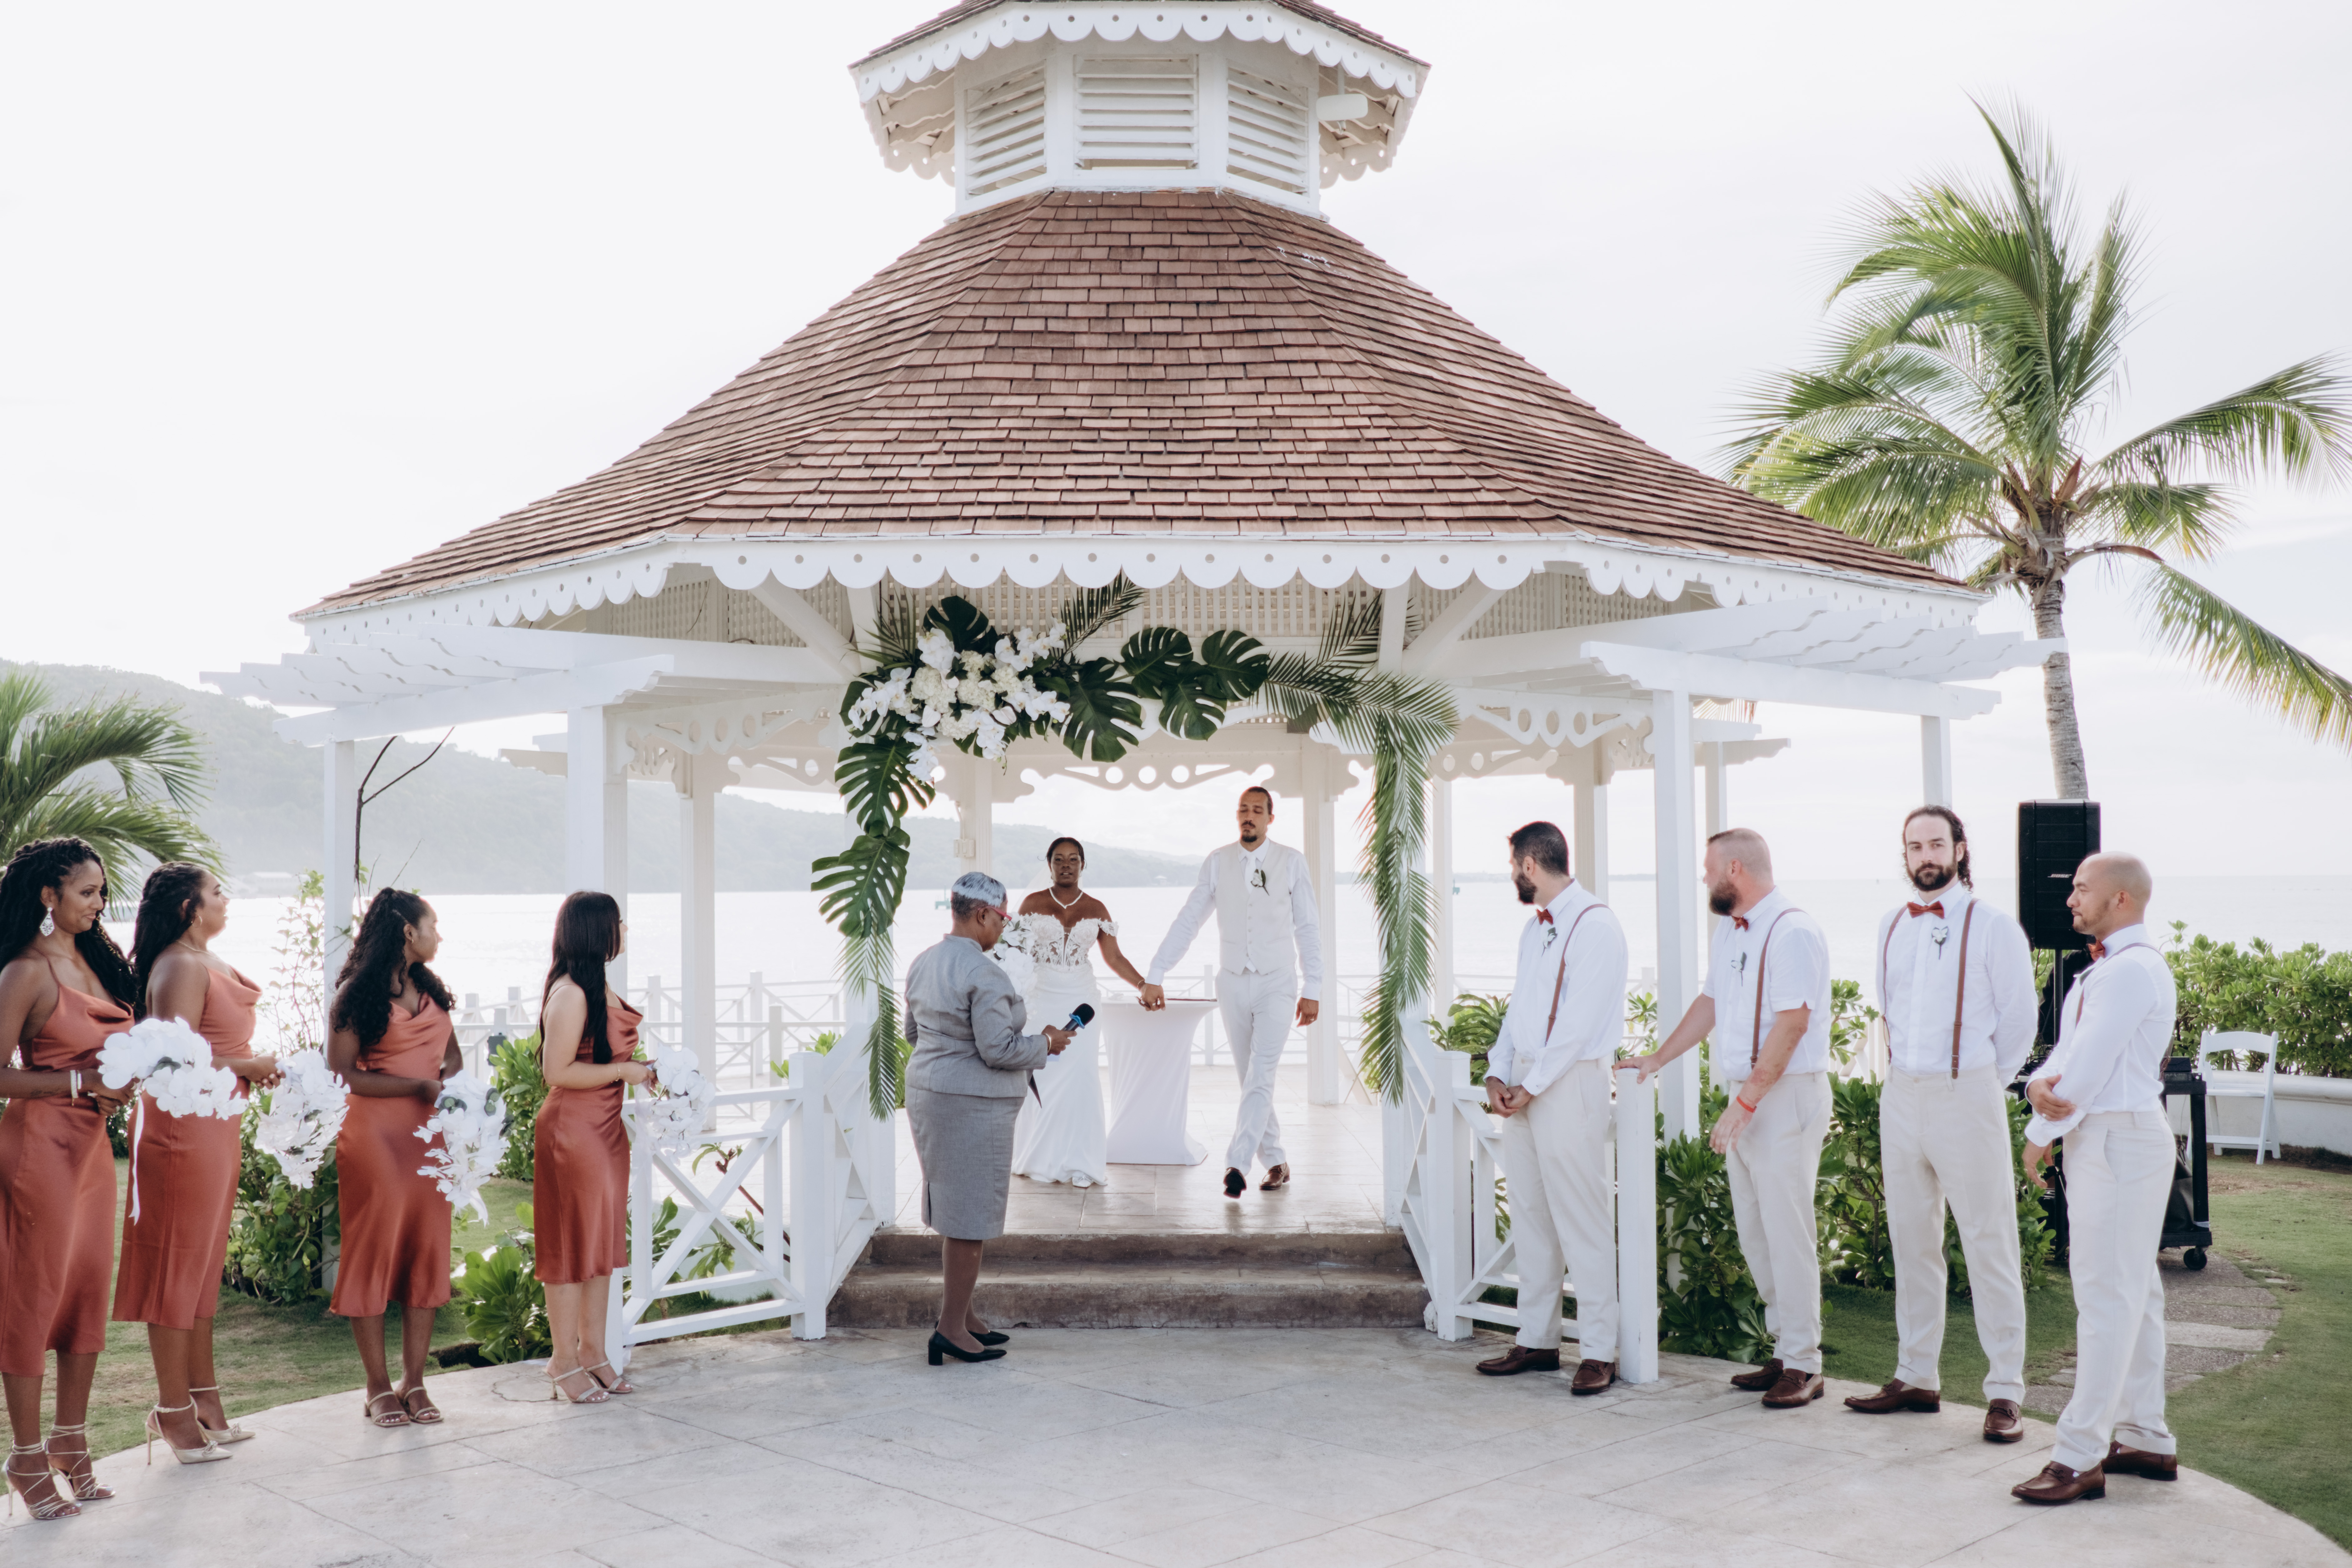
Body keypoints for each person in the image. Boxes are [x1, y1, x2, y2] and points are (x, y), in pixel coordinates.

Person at [1844, 809, 2036, 1441]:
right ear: (1904, 854)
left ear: (1958, 849)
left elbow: (2019, 1021)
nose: (1924, 855)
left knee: (1988, 1240)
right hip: (1901, 1094)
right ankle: (1915, 1374)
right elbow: (1890, 1008)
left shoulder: (1993, 925)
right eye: (1914, 845)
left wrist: (1977, 1082)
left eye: (1935, 843)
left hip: (1967, 1092)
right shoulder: (1890, 925)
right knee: (1911, 1238)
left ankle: (2005, 1389)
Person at [1627, 827, 1832, 1410]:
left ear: (1734, 869)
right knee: (1756, 1232)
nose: (1704, 877)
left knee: (1787, 1231)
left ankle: (1805, 1362)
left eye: (1708, 867)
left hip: (1785, 1094)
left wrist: (1745, 1103)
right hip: (1750, 1093)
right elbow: (1711, 1003)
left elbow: (1792, 1025)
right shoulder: (1730, 929)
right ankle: (1785, 1349)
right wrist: (1657, 1058)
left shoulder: (1792, 930)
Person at [2010, 852, 2179, 1505]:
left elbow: (2087, 1068)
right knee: (2134, 1291)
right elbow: (2066, 1055)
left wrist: (2037, 1134)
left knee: (2106, 1295)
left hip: (2116, 1138)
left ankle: (2078, 1454)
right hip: (2112, 1136)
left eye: (2082, 888)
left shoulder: (2129, 969)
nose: (2070, 899)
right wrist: (2036, 1083)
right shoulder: (2107, 969)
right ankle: (2143, 1434)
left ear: (2120, 899)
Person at [115, 864, 282, 1462]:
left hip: (214, 1128)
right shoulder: (181, 965)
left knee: (205, 1264)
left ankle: (204, 1398)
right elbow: (173, 1057)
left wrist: (251, 1068)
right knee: (176, 1267)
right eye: (216, 891)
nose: (226, 898)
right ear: (189, 906)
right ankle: (172, 1409)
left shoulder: (205, 960)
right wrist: (248, 1065)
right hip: (180, 1132)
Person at [0, 838, 137, 1521]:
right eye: (87, 891)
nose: (99, 902)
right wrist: (81, 1082)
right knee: (34, 1297)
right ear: (48, 895)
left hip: (90, 1151)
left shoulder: (98, 960)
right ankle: (25, 1456)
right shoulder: (24, 970)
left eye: (102, 891)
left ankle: (71, 1440)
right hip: (39, 1149)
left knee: (85, 1292)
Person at [1474, 823, 1630, 1394]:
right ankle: (1537, 1339)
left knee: (1581, 1216)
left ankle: (1598, 1350)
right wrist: (1497, 1071)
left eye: (1513, 866)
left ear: (1530, 864)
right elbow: (1520, 1010)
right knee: (1532, 1214)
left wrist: (1533, 1084)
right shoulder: (1533, 928)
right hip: (1527, 1082)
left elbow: (1578, 1025)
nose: (1512, 876)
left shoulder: (1596, 925)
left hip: (1569, 1083)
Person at [904, 873, 1074, 1366]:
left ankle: (966, 1315)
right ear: (982, 914)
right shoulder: (985, 972)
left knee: (955, 1208)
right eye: (1002, 917)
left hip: (929, 1093)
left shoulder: (924, 961)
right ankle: (950, 1329)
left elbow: (914, 1033)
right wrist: (1047, 1043)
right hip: (971, 1106)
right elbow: (998, 1049)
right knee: (970, 1217)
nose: (1003, 926)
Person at [1140, 786, 1323, 1198]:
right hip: (1232, 980)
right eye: (1243, 809)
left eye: (1258, 810)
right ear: (1237, 815)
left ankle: (1237, 1163)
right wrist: (1157, 971)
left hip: (1278, 981)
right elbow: (1190, 919)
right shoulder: (1218, 861)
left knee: (1262, 1072)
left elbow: (1308, 926)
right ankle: (1276, 1161)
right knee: (1250, 1076)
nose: (1249, 815)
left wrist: (1313, 985)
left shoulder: (1292, 861)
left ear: (1270, 819)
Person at [326, 889, 462, 1430]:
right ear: (409, 930)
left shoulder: (431, 989)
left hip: (429, 1136)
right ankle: (378, 1386)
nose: (439, 935)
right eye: (434, 924)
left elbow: (453, 1055)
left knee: (426, 1250)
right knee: (373, 1252)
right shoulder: (355, 992)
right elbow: (341, 1073)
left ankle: (416, 1381)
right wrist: (417, 1085)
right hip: (375, 1136)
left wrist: (452, 1087)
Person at [533, 892, 655, 1405]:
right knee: (570, 1246)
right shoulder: (571, 994)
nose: (624, 929)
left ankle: (594, 1350)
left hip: (604, 1128)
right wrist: (625, 1070)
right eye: (617, 922)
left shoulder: (595, 984)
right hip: (573, 1131)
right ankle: (562, 1359)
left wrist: (645, 1071)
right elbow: (556, 1070)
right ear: (596, 930)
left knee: (601, 1244)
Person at [1009, 838, 1148, 1188]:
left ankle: (1082, 1162)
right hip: (1041, 999)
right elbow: (1013, 951)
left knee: (1082, 1077)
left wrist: (1143, 984)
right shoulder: (1033, 903)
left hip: (1082, 1000)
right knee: (1043, 1076)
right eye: (1059, 859)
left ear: (1083, 865)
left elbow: (1114, 957)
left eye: (1073, 859)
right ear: (1050, 865)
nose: (1066, 865)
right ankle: (1038, 1156)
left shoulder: (1097, 907)